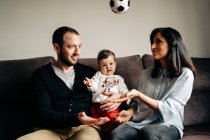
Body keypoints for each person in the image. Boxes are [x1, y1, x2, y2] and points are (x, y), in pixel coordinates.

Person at [16, 26, 112, 140]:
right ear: (57, 47)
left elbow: (107, 93)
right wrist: (77, 118)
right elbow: (43, 113)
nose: (77, 52)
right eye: (71, 46)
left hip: (84, 128)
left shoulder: (90, 73)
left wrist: (116, 99)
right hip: (51, 130)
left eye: (79, 46)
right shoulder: (41, 75)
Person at [107, 27, 197, 140]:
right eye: (152, 42)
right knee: (115, 135)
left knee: (150, 133)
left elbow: (169, 109)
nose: (152, 47)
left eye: (158, 42)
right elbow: (139, 104)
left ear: (172, 45)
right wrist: (130, 112)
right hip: (138, 123)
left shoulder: (185, 74)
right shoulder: (146, 74)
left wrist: (138, 94)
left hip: (168, 125)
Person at [83, 49, 129, 132]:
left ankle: (111, 131)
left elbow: (124, 90)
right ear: (100, 66)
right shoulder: (98, 75)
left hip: (112, 106)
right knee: (96, 122)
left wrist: (127, 96)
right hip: (97, 106)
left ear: (115, 63)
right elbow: (94, 87)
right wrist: (90, 84)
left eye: (111, 63)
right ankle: (99, 131)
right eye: (104, 65)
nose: (108, 67)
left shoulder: (118, 78)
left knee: (112, 121)